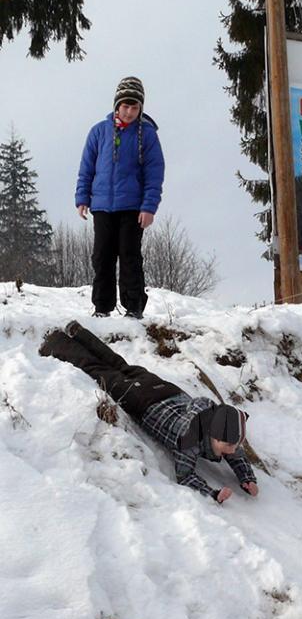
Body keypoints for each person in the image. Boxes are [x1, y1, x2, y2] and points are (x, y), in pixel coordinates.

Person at [39, 322, 258, 505]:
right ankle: (55, 342)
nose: (232, 450)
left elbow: (235, 453)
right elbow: (186, 475)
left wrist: (247, 477)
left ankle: (79, 333)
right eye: (228, 445)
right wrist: (212, 493)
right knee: (101, 371)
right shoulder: (188, 438)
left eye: (233, 445)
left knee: (119, 364)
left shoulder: (214, 418)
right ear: (214, 435)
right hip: (142, 400)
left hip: (164, 389)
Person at [75, 76, 165, 320]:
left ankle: (133, 307)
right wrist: (82, 197)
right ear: (116, 105)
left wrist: (149, 207)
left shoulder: (146, 135)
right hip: (102, 206)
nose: (129, 112)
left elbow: (154, 173)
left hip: (132, 208)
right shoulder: (99, 132)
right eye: (125, 106)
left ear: (140, 108)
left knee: (129, 255)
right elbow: (86, 168)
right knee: (102, 256)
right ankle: (102, 307)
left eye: (134, 107)